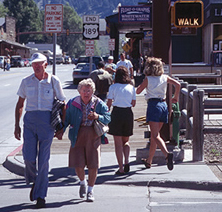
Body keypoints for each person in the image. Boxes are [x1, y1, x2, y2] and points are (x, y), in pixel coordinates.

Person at [14, 52, 66, 208]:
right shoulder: (26, 81)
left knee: (43, 161)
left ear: (46, 65)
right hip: (30, 122)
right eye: (34, 64)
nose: (36, 66)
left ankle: (41, 195)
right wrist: (17, 125)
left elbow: (63, 104)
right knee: (28, 158)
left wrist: (61, 127)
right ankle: (35, 182)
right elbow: (20, 104)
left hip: (47, 123)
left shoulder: (53, 81)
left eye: (39, 64)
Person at [63, 78, 111, 202]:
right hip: (77, 134)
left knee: (93, 164)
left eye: (89, 90)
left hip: (93, 134)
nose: (86, 93)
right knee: (77, 163)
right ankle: (83, 182)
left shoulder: (99, 103)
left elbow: (108, 118)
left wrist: (97, 116)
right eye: (84, 90)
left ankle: (90, 190)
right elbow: (66, 119)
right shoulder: (73, 103)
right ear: (79, 91)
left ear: (92, 91)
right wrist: (60, 132)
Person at [136, 57, 181, 171]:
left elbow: (138, 91)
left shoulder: (148, 79)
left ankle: (167, 155)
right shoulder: (165, 77)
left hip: (153, 105)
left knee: (155, 135)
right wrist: (175, 96)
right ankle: (149, 161)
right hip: (163, 105)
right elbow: (178, 84)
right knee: (154, 135)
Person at [107, 66, 136, 175]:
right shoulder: (131, 87)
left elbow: (109, 104)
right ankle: (127, 161)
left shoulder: (113, 87)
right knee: (126, 141)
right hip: (128, 113)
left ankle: (120, 168)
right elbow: (133, 103)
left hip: (117, 113)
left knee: (117, 143)